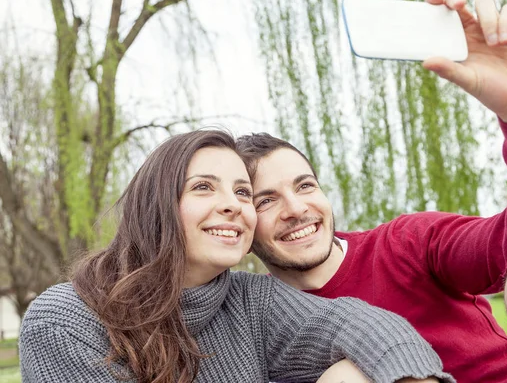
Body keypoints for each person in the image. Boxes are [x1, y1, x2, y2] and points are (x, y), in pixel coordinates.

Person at [237, 0, 507, 383]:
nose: (295, 208)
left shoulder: (405, 244)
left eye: (305, 185)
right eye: (266, 200)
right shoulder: (255, 314)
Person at [18, 130, 452, 383]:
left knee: (356, 371)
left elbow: (374, 328)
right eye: (204, 187)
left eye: (242, 192)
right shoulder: (64, 321)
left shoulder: (251, 301)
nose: (233, 205)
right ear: (156, 205)